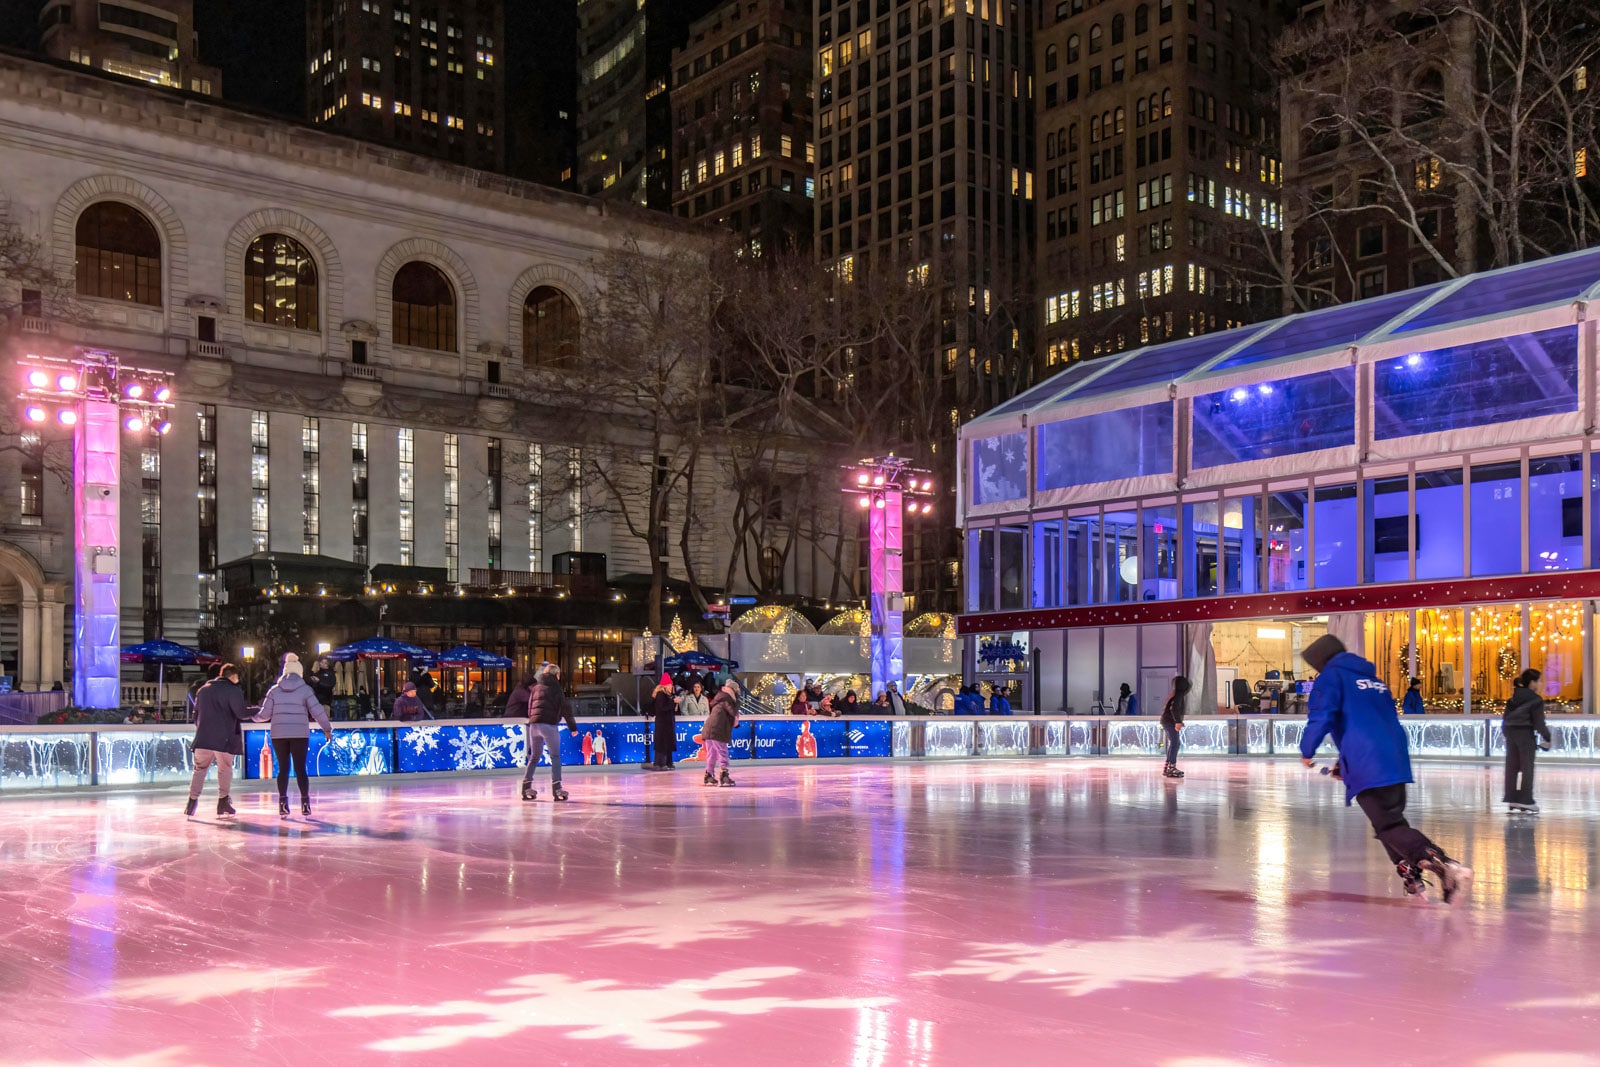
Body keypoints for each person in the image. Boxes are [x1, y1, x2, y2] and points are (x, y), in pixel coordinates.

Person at [1300, 634, 1473, 904]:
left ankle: (1445, 865)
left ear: (1321, 661)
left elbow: (1321, 715)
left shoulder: (1331, 677)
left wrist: (1306, 749)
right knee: (1390, 821)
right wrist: (1344, 762)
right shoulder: (1374, 681)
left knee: (1388, 824)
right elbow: (1370, 723)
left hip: (1367, 759)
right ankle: (1411, 870)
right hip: (1394, 756)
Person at [254, 653, 335, 818]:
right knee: (300, 769)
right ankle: (305, 803)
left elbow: (264, 715)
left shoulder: (274, 691)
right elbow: (317, 710)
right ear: (299, 672)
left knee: (283, 769)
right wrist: (326, 728)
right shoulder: (305, 690)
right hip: (299, 734)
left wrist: (248, 716)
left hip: (279, 735)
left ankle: (283, 804)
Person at [186, 662, 251, 818]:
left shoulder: (203, 690)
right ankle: (223, 802)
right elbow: (241, 712)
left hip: (204, 738)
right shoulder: (233, 690)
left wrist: (203, 729)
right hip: (224, 738)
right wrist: (260, 711)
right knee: (224, 769)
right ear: (233, 676)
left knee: (199, 770)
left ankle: (191, 802)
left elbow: (195, 715)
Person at [521, 663, 578, 802]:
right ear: (556, 675)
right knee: (555, 757)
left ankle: (525, 787)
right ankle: (557, 789)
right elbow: (566, 709)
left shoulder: (535, 688)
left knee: (534, 757)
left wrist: (533, 720)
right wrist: (573, 728)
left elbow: (529, 708)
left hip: (534, 725)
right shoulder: (556, 689)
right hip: (549, 726)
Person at [1502, 668, 1552, 814]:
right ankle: (1526, 800)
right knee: (1527, 768)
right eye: (1539, 681)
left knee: (1512, 767)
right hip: (1525, 735)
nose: (1541, 684)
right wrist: (1547, 738)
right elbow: (1539, 723)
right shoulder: (1536, 700)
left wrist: (1508, 734)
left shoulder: (1512, 699)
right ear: (1532, 683)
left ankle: (1512, 798)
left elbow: (1505, 719)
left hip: (1510, 734)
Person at [703, 679, 741, 786]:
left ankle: (709, 775)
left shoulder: (720, 697)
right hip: (717, 730)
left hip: (709, 729)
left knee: (712, 754)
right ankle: (724, 776)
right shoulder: (727, 698)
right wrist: (737, 701)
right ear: (733, 690)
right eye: (737, 691)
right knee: (722, 752)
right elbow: (732, 712)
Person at [1160, 675, 1190, 779]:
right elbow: (1174, 709)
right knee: (1175, 743)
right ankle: (1171, 767)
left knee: (1174, 743)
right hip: (1169, 722)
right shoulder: (1179, 694)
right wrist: (1177, 722)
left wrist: (1178, 721)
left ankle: (1168, 766)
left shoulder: (1175, 693)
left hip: (1168, 721)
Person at [651, 674, 682, 770]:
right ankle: (660, 763)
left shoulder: (669, 696)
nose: (671, 687)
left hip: (668, 723)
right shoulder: (661, 695)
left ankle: (668, 762)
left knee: (668, 743)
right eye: (670, 685)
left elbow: (674, 710)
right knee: (662, 743)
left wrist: (676, 703)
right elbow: (662, 708)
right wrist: (673, 702)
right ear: (665, 685)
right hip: (662, 724)